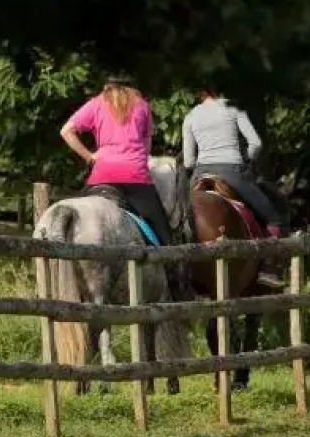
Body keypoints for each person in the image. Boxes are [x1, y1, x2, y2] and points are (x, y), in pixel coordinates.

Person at [180, 84, 284, 287]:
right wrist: (247, 159)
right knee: (273, 217)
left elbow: (188, 162)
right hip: (232, 171)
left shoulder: (191, 116)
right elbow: (255, 143)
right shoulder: (234, 108)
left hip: (200, 173)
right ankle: (269, 268)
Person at [59, 73, 175, 246]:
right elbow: (146, 148)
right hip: (135, 177)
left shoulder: (95, 103)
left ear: (106, 85)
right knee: (163, 235)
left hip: (102, 175)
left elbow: (66, 131)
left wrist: (89, 157)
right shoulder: (142, 105)